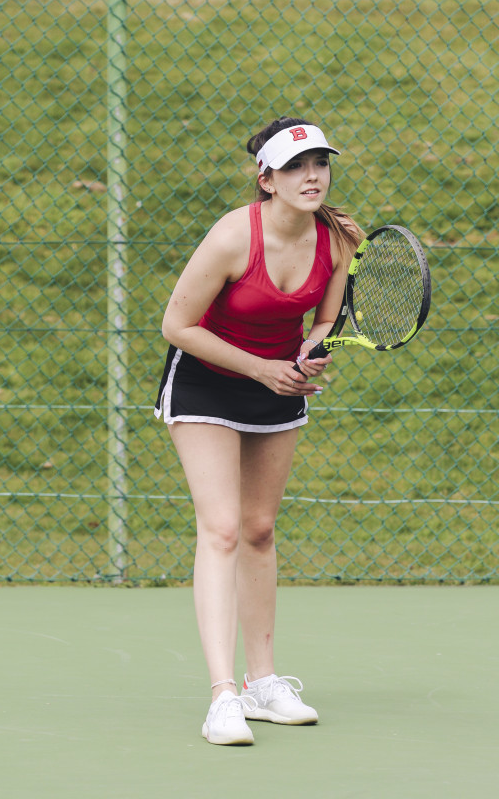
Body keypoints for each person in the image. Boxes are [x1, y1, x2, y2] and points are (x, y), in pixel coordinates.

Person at [155, 116, 365, 745]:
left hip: (279, 381)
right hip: (206, 380)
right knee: (220, 529)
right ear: (266, 178)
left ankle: (264, 684)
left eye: (320, 165)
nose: (312, 177)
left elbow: (325, 320)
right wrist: (261, 369)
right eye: (296, 167)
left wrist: (310, 356)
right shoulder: (230, 238)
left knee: (259, 528)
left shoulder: (337, 240)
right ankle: (223, 699)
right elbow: (176, 324)